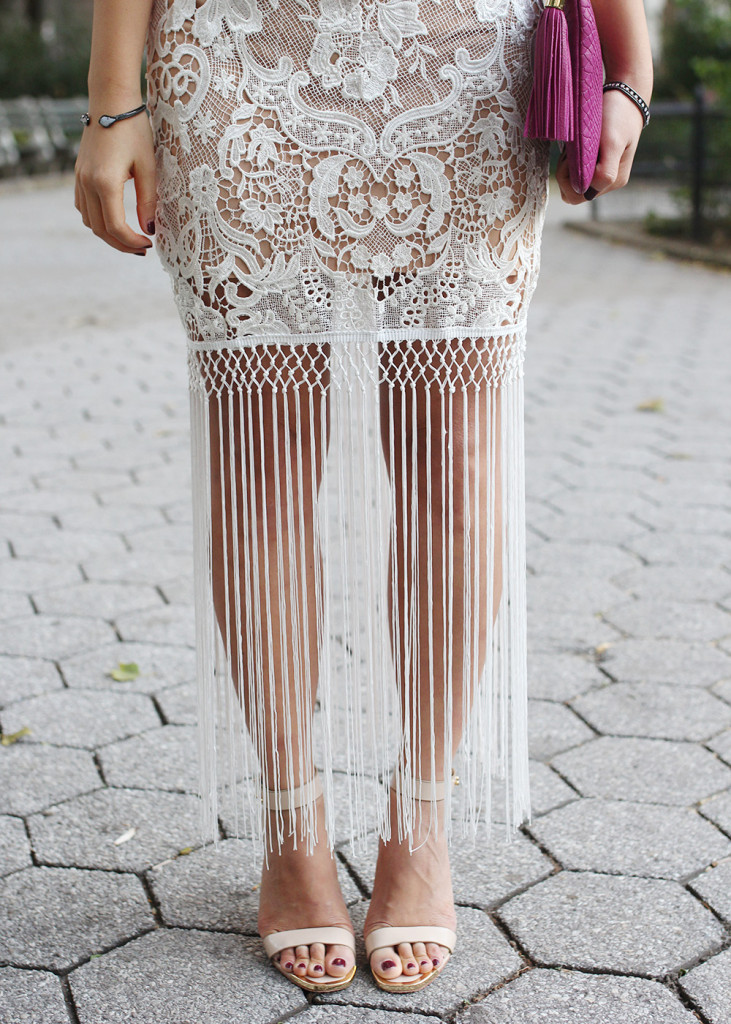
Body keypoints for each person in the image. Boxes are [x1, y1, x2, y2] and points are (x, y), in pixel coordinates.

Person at [75, 0, 652, 995]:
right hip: (238, 58)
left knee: (453, 461)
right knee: (262, 459)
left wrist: (626, 68)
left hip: (469, 60)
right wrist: (111, 101)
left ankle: (420, 818)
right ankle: (291, 828)